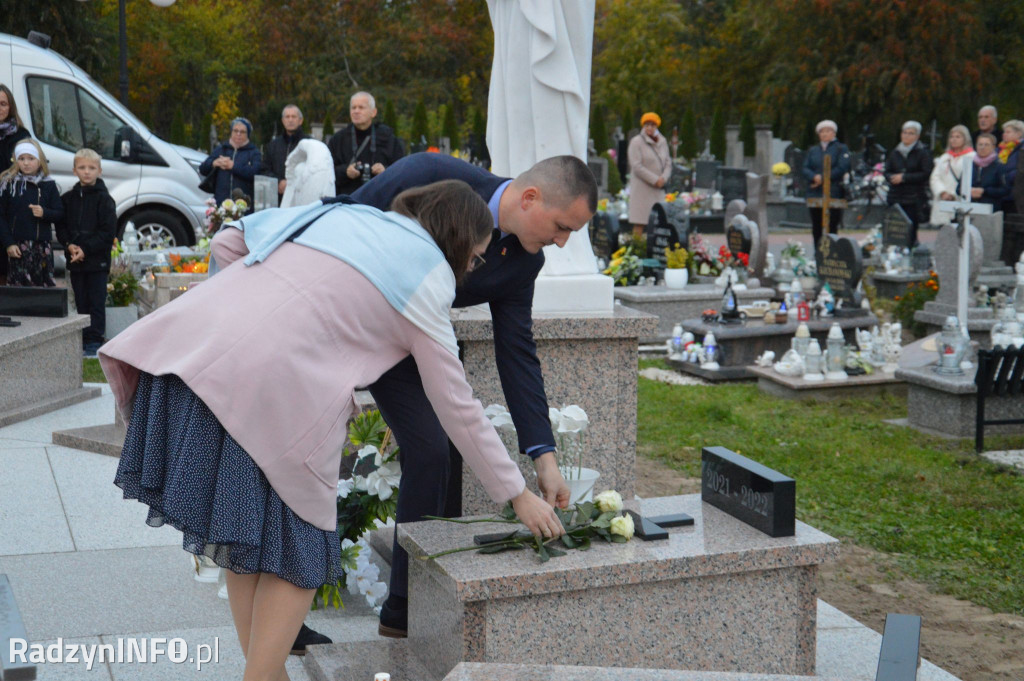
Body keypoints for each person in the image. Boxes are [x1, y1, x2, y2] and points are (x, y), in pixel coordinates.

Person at [99, 180, 565, 681]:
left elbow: (227, 243)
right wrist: (517, 493)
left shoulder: (348, 217)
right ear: (456, 239)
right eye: (474, 258)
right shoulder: (428, 278)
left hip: (195, 356)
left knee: (241, 536)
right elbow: (456, 404)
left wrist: (253, 316)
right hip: (274, 394)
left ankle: (266, 675)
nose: (473, 270)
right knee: (301, 552)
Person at [321, 152, 593, 641]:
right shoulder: (427, 176)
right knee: (311, 452)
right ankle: (293, 595)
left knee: (435, 448)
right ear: (530, 197)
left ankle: (406, 606)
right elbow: (342, 230)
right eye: (561, 226)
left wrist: (544, 457)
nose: (562, 241)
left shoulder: (524, 261)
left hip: (414, 337)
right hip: (343, 315)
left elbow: (518, 354)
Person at [57, 149, 117, 357]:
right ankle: (82, 337)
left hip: (97, 262)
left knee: (96, 301)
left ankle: (94, 339)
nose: (87, 172)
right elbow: (62, 226)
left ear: (99, 171)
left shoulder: (105, 200)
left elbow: (107, 232)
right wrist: (69, 245)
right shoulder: (68, 199)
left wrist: (86, 249)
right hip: (76, 261)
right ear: (74, 171)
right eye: (82, 168)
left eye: (91, 168)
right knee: (81, 300)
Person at [0, 139, 63, 287]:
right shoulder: (9, 184)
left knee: (42, 291)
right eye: (21, 159)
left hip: (42, 247)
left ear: (40, 160)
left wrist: (44, 213)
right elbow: (1, 216)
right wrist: (9, 243)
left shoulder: (48, 184)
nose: (26, 163)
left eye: (31, 158)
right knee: (18, 291)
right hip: (18, 246)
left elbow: (60, 213)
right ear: (16, 161)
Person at [327, 92, 404, 196]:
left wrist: (385, 170)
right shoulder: (338, 139)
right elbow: (327, 172)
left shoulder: (388, 138)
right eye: (353, 108)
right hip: (347, 201)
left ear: (373, 112)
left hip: (379, 200)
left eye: (361, 107)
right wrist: (345, 171)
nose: (356, 111)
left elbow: (401, 169)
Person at [802, 119, 850, 250]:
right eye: (822, 131)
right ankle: (818, 253)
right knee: (816, 225)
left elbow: (842, 167)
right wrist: (814, 177)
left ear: (834, 133)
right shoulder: (813, 150)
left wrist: (823, 178)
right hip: (815, 192)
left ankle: (832, 253)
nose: (825, 133)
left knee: (832, 224)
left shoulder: (841, 148)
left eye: (828, 131)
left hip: (834, 192)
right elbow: (805, 168)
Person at [883, 121, 933, 246]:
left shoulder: (922, 152)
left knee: (910, 230)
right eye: (904, 132)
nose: (906, 136)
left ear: (917, 136)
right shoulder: (895, 152)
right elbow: (887, 171)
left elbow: (925, 173)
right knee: (893, 229)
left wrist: (904, 177)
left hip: (913, 197)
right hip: (895, 196)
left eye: (911, 133)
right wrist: (891, 177)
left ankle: (909, 252)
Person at [0, 84, 30, 284]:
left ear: (10, 107)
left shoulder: (21, 135)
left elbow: (30, 166)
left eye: (3, 104)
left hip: (10, 206)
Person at [199, 117, 262, 207]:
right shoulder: (222, 149)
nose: (238, 134)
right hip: (221, 205)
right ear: (231, 132)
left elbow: (255, 173)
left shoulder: (253, 152)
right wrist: (214, 163)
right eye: (235, 131)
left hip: (243, 206)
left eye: (242, 132)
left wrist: (233, 166)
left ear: (248, 134)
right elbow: (202, 169)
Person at [626, 112, 672, 235]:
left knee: (658, 222)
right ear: (643, 126)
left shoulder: (662, 141)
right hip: (642, 189)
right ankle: (636, 250)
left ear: (657, 126)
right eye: (647, 125)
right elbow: (636, 165)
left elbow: (668, 162)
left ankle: (654, 250)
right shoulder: (636, 142)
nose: (649, 128)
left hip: (658, 189)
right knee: (640, 222)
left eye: (652, 125)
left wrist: (663, 178)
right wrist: (655, 180)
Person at [929, 125, 974, 225]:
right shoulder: (944, 157)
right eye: (952, 137)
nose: (954, 140)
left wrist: (953, 194)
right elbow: (935, 177)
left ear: (965, 139)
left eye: (958, 137)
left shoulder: (971, 157)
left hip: (960, 198)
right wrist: (942, 191)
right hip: (943, 199)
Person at [264, 104, 307, 203]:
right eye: (287, 117)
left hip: (301, 199)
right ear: (283, 121)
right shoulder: (273, 145)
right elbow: (264, 169)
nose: (290, 120)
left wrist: (292, 184)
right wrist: (278, 182)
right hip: (276, 199)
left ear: (300, 120)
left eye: (293, 116)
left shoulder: (309, 144)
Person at [970, 133, 1009, 209]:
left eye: (986, 145)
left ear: (993, 147)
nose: (982, 147)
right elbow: (958, 188)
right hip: (970, 209)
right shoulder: (970, 165)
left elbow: (1005, 190)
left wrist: (984, 191)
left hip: (991, 209)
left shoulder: (999, 166)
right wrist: (970, 191)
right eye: (980, 144)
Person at [1000, 119, 1024, 214]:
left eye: (1008, 132)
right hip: (1001, 194)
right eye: (1004, 132)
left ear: (1018, 134)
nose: (1004, 134)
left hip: (1015, 195)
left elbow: (1019, 171)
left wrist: (1004, 177)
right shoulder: (1000, 149)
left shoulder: (1021, 150)